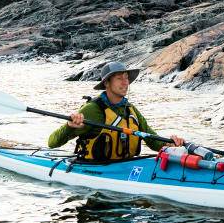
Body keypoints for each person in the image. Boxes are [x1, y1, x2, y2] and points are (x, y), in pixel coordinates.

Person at [47, 61, 184, 162]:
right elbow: (52, 142)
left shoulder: (131, 110)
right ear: (106, 83)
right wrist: (69, 127)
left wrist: (169, 144)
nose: (125, 83)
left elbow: (152, 141)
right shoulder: (92, 110)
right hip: (95, 169)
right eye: (119, 78)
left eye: (126, 78)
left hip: (123, 167)